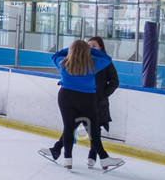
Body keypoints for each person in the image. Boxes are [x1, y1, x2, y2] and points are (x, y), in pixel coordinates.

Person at [38, 38, 124, 172]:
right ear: (87, 51)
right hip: (87, 99)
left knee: (68, 128)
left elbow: (55, 55)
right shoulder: (93, 64)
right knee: (93, 130)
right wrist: (90, 50)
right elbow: (107, 58)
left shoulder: (63, 63)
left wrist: (71, 49)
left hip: (66, 97)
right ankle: (103, 158)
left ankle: (67, 159)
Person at [86, 36, 121, 170]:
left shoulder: (106, 62)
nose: (91, 48)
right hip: (84, 99)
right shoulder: (83, 60)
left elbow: (114, 82)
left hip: (99, 101)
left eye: (94, 45)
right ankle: (95, 156)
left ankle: (93, 155)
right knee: (91, 128)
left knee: (95, 128)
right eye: (89, 45)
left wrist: (102, 95)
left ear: (101, 47)